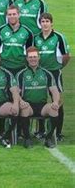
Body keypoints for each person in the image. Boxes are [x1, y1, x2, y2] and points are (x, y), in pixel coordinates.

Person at [34, 13, 70, 141]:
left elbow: (66, 56)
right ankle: (41, 130)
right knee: (40, 101)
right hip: (40, 74)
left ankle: (58, 132)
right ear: (40, 23)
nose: (45, 24)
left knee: (58, 101)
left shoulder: (59, 37)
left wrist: (59, 67)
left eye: (47, 21)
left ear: (51, 23)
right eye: (42, 21)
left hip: (54, 72)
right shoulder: (35, 38)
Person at [17, 47, 60, 149]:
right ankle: (27, 138)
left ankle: (48, 138)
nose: (33, 59)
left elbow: (54, 90)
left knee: (54, 110)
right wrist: (21, 101)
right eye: (30, 57)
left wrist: (56, 102)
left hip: (43, 106)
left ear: (39, 57)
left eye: (35, 57)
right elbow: (15, 92)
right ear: (27, 58)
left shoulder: (47, 73)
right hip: (28, 105)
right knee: (24, 109)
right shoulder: (21, 74)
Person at [0, 5, 33, 75]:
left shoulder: (27, 32)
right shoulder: (0, 31)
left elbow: (29, 52)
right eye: (9, 14)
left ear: (19, 15)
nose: (12, 16)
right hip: (4, 67)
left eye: (14, 14)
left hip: (21, 67)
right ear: (6, 16)